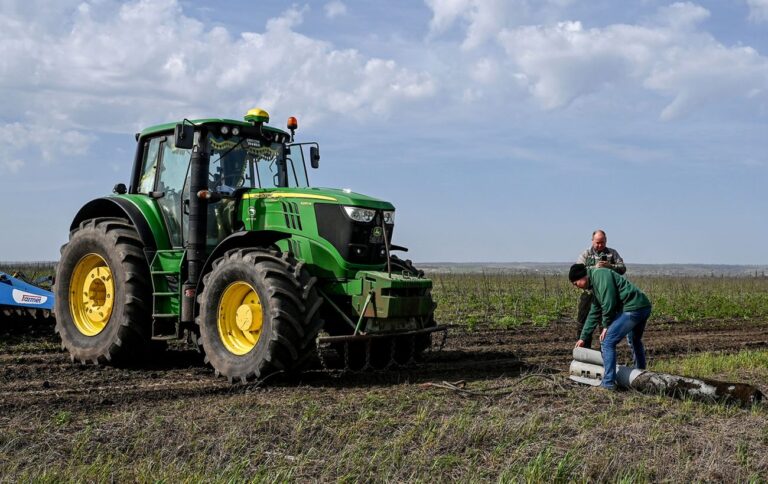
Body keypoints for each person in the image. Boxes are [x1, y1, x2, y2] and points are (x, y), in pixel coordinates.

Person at [569, 263, 652, 390]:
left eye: (575, 283)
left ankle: (608, 384)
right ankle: (640, 375)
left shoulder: (600, 275)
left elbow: (609, 303)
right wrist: (583, 337)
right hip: (642, 306)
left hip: (632, 308)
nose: (577, 287)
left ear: (582, 278)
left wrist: (606, 326)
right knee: (635, 340)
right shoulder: (595, 284)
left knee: (607, 342)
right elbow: (594, 312)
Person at [575, 230, 625, 348]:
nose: (600, 245)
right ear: (592, 241)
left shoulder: (612, 253)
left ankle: (605, 353)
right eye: (597, 242)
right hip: (589, 294)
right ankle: (584, 351)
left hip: (607, 295)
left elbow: (622, 268)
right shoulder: (585, 254)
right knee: (583, 323)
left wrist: (610, 266)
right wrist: (595, 267)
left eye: (602, 242)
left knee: (605, 325)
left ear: (606, 241)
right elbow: (578, 271)